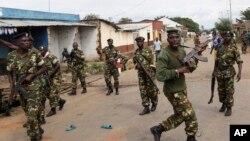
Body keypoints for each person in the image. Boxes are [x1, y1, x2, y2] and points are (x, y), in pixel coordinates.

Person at [150, 29, 206, 141]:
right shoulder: (163, 54)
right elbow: (160, 75)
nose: (175, 39)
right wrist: (178, 71)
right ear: (168, 39)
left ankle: (158, 129)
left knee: (181, 115)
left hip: (181, 87)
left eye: (177, 37)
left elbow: (190, 68)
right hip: (172, 90)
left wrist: (197, 54)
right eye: (172, 38)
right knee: (190, 114)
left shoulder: (181, 50)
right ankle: (191, 138)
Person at [7, 32, 46, 141]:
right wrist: (12, 87)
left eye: (28, 41)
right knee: (28, 111)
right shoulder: (11, 56)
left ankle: (34, 136)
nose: (27, 43)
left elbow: (43, 68)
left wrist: (32, 75)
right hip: (20, 87)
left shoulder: (35, 54)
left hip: (35, 86)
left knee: (31, 112)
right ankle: (37, 127)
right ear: (17, 42)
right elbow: (9, 72)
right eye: (24, 41)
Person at [214, 31, 243, 116]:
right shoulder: (219, 46)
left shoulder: (234, 48)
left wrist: (239, 73)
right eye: (225, 36)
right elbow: (217, 59)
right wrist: (214, 70)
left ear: (231, 37)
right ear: (223, 37)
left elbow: (239, 61)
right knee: (221, 90)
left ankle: (229, 108)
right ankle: (223, 104)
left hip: (229, 72)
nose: (227, 37)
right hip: (219, 72)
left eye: (229, 36)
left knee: (229, 91)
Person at [133, 36, 158, 115]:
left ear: (143, 42)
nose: (139, 43)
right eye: (138, 42)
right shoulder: (136, 52)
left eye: (140, 42)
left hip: (149, 73)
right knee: (143, 90)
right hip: (141, 74)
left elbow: (153, 61)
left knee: (152, 90)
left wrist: (152, 70)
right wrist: (137, 65)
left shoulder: (148, 50)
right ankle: (146, 107)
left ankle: (154, 102)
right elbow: (134, 61)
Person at [38, 46, 66, 117]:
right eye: (40, 51)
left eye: (41, 51)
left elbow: (57, 66)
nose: (40, 52)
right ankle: (60, 101)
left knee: (52, 93)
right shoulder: (41, 59)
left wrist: (51, 74)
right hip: (48, 78)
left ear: (45, 51)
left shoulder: (51, 57)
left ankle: (53, 110)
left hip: (56, 78)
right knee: (47, 93)